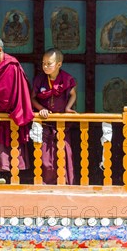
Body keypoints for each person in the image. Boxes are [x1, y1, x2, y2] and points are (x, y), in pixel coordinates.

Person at [0, 35, 34, 183]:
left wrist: (16, 111)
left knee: (10, 145)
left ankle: (8, 175)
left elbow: (22, 91)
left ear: (0, 50)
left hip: (10, 115)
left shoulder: (12, 65)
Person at [30, 48, 77, 185]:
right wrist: (41, 109)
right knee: (45, 156)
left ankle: (66, 183)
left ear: (58, 64)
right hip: (45, 123)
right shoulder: (39, 80)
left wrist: (68, 107)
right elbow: (32, 98)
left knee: (63, 153)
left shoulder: (67, 79)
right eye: (43, 63)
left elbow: (73, 94)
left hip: (61, 124)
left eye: (49, 63)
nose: (45, 66)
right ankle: (46, 183)